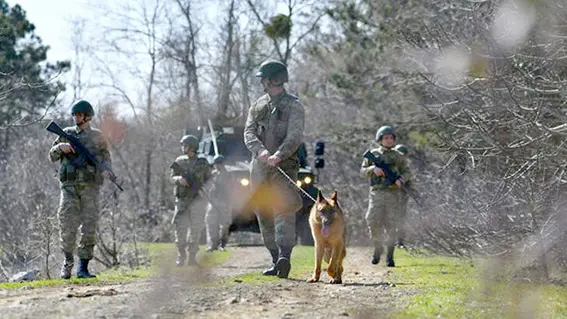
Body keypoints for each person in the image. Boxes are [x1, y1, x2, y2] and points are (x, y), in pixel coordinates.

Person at [244, 59, 305, 279]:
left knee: (284, 210)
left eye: (264, 78)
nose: (261, 82)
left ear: (273, 80)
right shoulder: (257, 105)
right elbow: (248, 133)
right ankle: (274, 259)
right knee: (263, 213)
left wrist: (279, 154)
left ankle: (284, 257)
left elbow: (295, 136)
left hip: (284, 167)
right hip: (259, 169)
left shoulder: (294, 106)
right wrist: (260, 152)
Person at [48, 100, 112, 279]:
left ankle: (83, 268)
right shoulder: (66, 134)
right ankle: (67, 262)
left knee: (89, 227)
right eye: (74, 115)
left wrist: (107, 170)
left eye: (79, 115)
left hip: (91, 189)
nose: (76, 117)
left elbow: (106, 158)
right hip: (69, 188)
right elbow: (51, 156)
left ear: (87, 116)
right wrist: (59, 147)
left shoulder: (98, 137)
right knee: (67, 225)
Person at [360, 125, 410, 267]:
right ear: (380, 140)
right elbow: (362, 171)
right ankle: (377, 246)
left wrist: (401, 180)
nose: (388, 140)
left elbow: (407, 172)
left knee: (391, 225)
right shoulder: (374, 154)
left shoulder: (398, 156)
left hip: (393, 194)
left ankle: (390, 256)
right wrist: (373, 169)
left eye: (391, 138)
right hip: (376, 193)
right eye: (385, 138)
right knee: (372, 219)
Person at [170, 135, 210, 266]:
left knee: (196, 230)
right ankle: (181, 255)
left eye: (185, 145)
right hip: (182, 201)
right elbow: (171, 177)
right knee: (180, 229)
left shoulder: (202, 162)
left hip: (197, 201)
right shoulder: (179, 161)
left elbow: (209, 180)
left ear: (192, 147)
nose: (182, 148)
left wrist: (204, 190)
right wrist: (178, 180)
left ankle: (192, 257)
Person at [205, 155, 234, 252]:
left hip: (224, 202)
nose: (217, 166)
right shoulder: (213, 174)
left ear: (222, 164)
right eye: (216, 164)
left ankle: (222, 244)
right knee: (211, 223)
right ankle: (212, 245)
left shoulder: (228, 175)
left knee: (225, 225)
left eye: (219, 164)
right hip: (213, 202)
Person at [394, 144, 410, 248]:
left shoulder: (405, 168)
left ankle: (400, 242)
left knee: (401, 220)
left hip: (401, 197)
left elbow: (409, 181)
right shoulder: (391, 166)